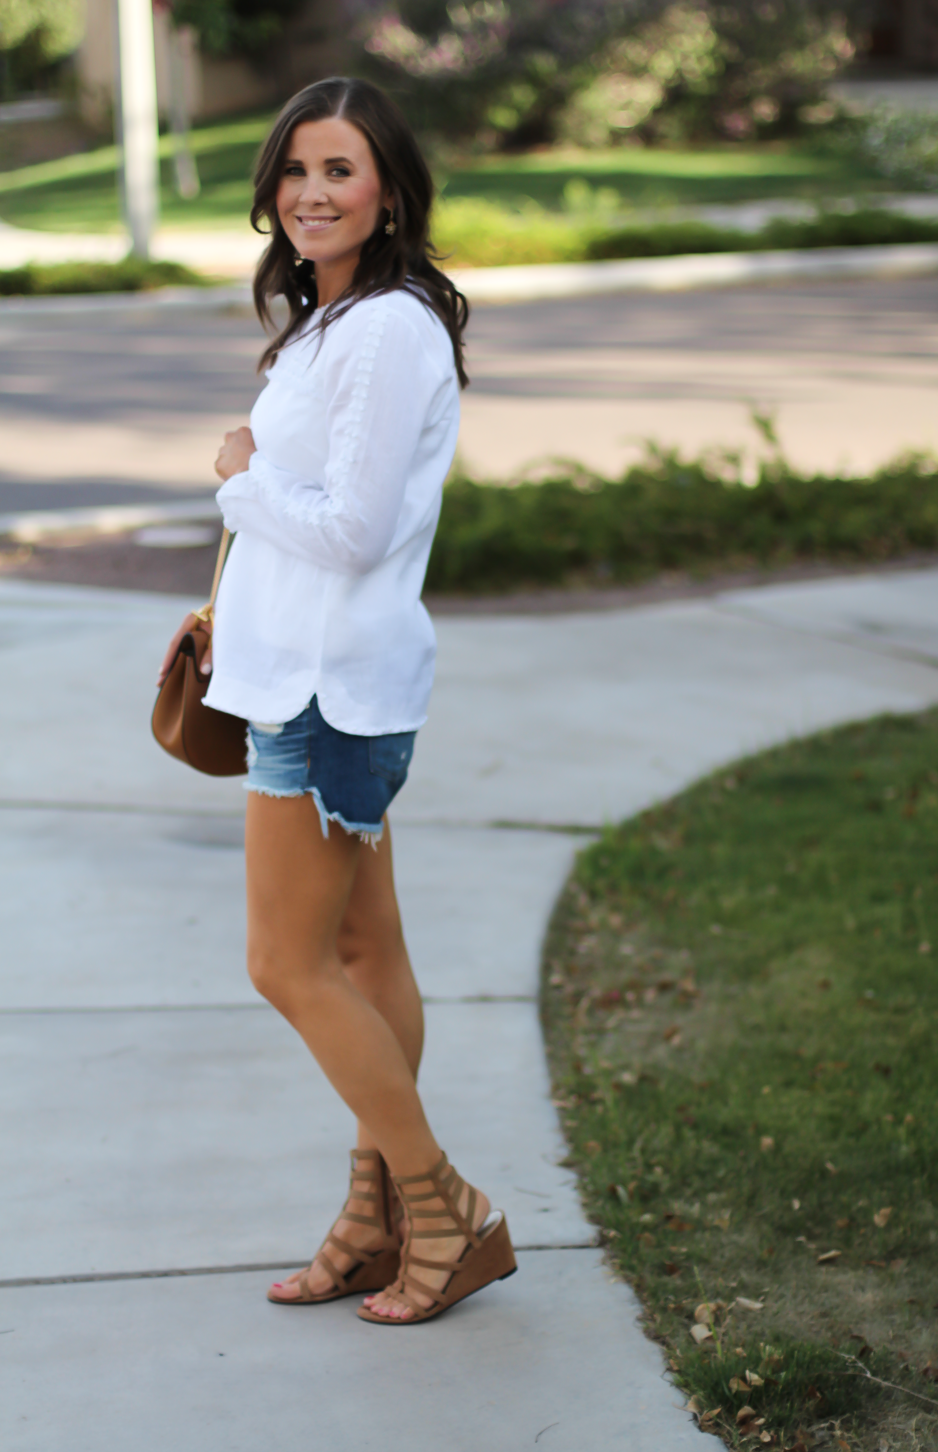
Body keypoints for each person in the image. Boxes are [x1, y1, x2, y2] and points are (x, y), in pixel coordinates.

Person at [156, 76, 516, 1324]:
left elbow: (354, 531)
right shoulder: (330, 321)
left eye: (341, 169)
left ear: (389, 191)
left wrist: (238, 485)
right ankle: (373, 1221)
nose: (314, 191)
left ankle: (442, 1207)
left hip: (325, 697)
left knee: (285, 964)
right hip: (311, 679)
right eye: (297, 169)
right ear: (272, 189)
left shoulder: (387, 330)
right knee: (364, 952)